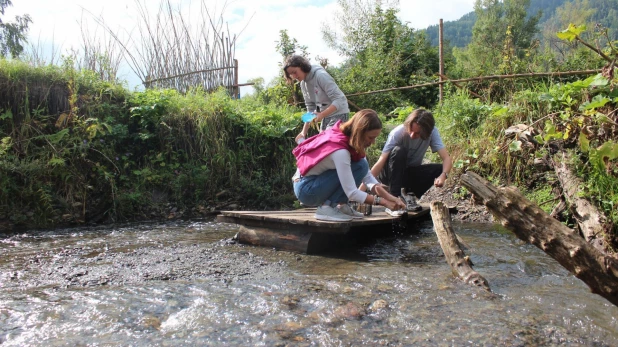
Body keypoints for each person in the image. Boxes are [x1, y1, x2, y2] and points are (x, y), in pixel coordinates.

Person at [293, 109, 406, 222]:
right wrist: (383, 202)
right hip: (306, 190)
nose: (373, 142)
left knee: (361, 165)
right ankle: (326, 208)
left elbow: (369, 179)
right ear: (359, 132)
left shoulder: (352, 142)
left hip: (315, 184)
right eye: (371, 137)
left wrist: (391, 198)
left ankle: (341, 205)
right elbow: (352, 193)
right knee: (359, 165)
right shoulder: (341, 151)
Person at [369, 108, 452, 211]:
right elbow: (380, 162)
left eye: (417, 133)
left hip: (409, 172)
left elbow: (446, 158)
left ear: (427, 132)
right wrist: (361, 189)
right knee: (399, 150)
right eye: (411, 130)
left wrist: (443, 176)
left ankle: (408, 194)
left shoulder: (432, 132)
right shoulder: (398, 133)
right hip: (389, 172)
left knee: (440, 169)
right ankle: (394, 197)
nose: (412, 135)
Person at [283, 55, 350, 143]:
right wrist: (303, 132)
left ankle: (359, 156)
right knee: (322, 145)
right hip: (326, 116)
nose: (294, 76)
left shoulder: (320, 76)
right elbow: (310, 108)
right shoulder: (303, 83)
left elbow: (340, 99)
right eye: (291, 74)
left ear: (302, 66)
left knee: (329, 144)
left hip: (339, 113)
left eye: (295, 72)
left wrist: (321, 114)